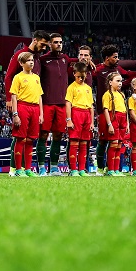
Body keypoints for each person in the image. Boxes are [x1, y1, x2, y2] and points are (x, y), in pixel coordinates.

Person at [4, 30, 51, 174]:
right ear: (35, 40)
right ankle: (15, 168)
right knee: (19, 137)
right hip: (20, 103)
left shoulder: (37, 58)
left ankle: (26, 168)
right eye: (43, 44)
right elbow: (8, 77)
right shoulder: (20, 55)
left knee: (29, 139)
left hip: (34, 105)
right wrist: (8, 99)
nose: (44, 48)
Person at [37, 33, 80, 176]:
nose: (59, 44)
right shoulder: (42, 60)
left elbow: (75, 60)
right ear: (49, 44)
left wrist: (86, 60)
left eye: (61, 42)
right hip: (47, 103)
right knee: (43, 135)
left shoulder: (64, 59)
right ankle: (42, 167)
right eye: (55, 42)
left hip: (62, 104)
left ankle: (54, 167)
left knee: (58, 136)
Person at [10, 51, 44, 177]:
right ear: (21, 63)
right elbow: (14, 97)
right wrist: (15, 114)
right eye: (28, 60)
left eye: (32, 60)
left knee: (30, 140)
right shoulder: (18, 77)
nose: (31, 62)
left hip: (35, 109)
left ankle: (28, 169)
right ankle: (18, 169)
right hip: (23, 107)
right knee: (21, 139)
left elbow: (40, 96)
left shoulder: (36, 78)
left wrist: (41, 114)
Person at [65, 62, 94, 177]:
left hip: (86, 114)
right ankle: (73, 169)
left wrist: (92, 122)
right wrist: (69, 119)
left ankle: (82, 169)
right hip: (76, 113)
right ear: (73, 74)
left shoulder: (88, 88)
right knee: (74, 142)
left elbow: (91, 106)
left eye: (83, 76)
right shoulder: (71, 87)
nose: (81, 79)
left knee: (84, 143)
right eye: (78, 76)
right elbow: (68, 103)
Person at [100, 72, 128, 176]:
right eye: (118, 81)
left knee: (119, 145)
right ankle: (110, 169)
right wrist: (109, 124)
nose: (120, 83)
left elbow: (125, 111)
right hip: (114, 119)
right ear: (110, 82)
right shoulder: (107, 94)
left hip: (123, 119)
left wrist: (127, 124)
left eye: (121, 81)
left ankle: (116, 170)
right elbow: (106, 110)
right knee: (114, 144)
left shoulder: (121, 94)